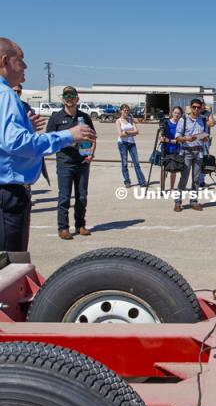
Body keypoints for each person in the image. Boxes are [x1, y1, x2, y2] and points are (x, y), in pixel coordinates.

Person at [0, 37, 94, 251]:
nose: (25, 66)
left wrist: (27, 130)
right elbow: (16, 143)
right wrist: (68, 136)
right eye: (21, 60)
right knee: (10, 262)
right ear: (4, 61)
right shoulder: (5, 95)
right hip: (8, 193)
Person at [47, 86, 97, 239]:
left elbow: (93, 137)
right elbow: (49, 140)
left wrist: (91, 156)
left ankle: (80, 225)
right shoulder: (56, 118)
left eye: (72, 96)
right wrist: (70, 141)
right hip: (65, 163)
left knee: (82, 196)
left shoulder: (84, 117)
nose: (69, 99)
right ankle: (63, 228)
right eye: (66, 96)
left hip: (82, 162)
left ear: (77, 98)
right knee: (64, 197)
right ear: (63, 99)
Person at [174, 98, 209, 212]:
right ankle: (178, 202)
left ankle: (193, 201)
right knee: (184, 178)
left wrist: (204, 138)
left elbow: (206, 136)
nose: (196, 109)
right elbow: (177, 137)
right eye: (194, 107)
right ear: (190, 107)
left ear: (201, 108)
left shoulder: (203, 120)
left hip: (199, 152)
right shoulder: (183, 120)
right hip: (186, 151)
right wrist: (187, 139)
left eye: (198, 107)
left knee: (196, 179)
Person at [115, 104, 146, 188]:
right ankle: (127, 181)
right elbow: (120, 134)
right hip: (122, 144)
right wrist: (132, 133)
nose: (126, 112)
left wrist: (127, 133)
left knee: (136, 162)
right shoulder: (118, 121)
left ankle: (142, 181)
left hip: (132, 143)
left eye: (127, 110)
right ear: (121, 111)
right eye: (124, 110)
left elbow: (137, 131)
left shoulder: (131, 120)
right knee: (124, 163)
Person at [159, 106, 182, 189]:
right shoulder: (166, 123)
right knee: (163, 169)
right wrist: (162, 138)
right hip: (165, 149)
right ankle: (162, 188)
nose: (176, 115)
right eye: (175, 113)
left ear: (181, 115)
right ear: (172, 113)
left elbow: (179, 140)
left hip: (176, 150)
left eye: (178, 113)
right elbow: (161, 136)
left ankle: (172, 188)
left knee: (173, 170)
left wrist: (168, 140)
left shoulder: (181, 124)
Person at [198, 102, 216, 188]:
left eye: (202, 104)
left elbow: (212, 123)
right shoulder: (194, 113)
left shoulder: (207, 113)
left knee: (203, 159)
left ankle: (201, 181)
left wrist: (202, 121)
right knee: (195, 160)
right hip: (194, 139)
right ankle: (196, 181)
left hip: (204, 138)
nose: (200, 106)